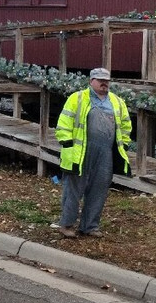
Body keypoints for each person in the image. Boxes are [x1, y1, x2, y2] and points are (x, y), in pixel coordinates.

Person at [53, 67, 131, 238]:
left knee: (99, 189)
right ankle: (66, 225)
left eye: (107, 81)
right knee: (73, 190)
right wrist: (66, 141)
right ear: (91, 81)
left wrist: (123, 144)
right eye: (100, 80)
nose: (104, 83)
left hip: (105, 154)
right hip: (80, 152)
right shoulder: (77, 98)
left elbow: (126, 125)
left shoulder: (117, 102)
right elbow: (64, 120)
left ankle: (90, 226)